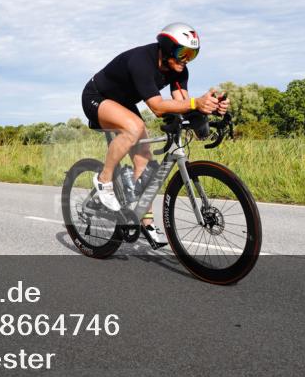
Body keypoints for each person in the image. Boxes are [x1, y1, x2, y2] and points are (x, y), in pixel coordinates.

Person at [81, 23, 228, 244]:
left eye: (192, 54)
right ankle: (103, 180)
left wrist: (209, 108)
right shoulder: (142, 61)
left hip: (123, 103)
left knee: (145, 159)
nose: (186, 59)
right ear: (167, 48)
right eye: (182, 52)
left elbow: (183, 104)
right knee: (135, 128)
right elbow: (158, 108)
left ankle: (145, 221)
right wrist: (196, 102)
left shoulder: (179, 70)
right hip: (96, 96)